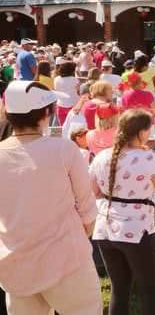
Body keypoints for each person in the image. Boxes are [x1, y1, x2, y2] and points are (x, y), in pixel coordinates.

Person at [0, 81, 102, 314]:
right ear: (46, 112)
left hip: (16, 263)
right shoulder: (64, 150)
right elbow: (87, 209)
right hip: (67, 260)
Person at [90, 109, 155, 315]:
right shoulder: (146, 157)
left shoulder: (102, 156)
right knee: (150, 290)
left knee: (119, 289)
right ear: (142, 132)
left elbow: (94, 191)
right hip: (137, 228)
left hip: (105, 228)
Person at [54, 60, 80, 125]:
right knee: (74, 126)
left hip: (60, 105)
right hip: (73, 105)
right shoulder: (75, 80)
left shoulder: (56, 79)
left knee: (63, 127)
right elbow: (78, 91)